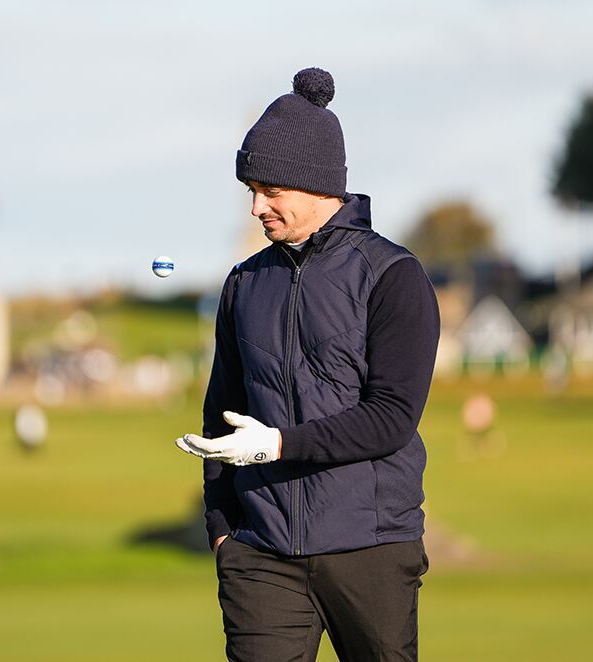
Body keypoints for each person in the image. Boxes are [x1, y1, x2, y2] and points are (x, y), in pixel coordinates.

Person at [173, 67, 440, 662]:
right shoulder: (244, 284)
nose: (256, 207)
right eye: (250, 191)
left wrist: (276, 446)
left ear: (316, 184)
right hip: (261, 555)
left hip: (369, 547)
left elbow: (391, 418)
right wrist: (224, 533)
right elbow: (221, 411)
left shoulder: (393, 276)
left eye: (270, 191)